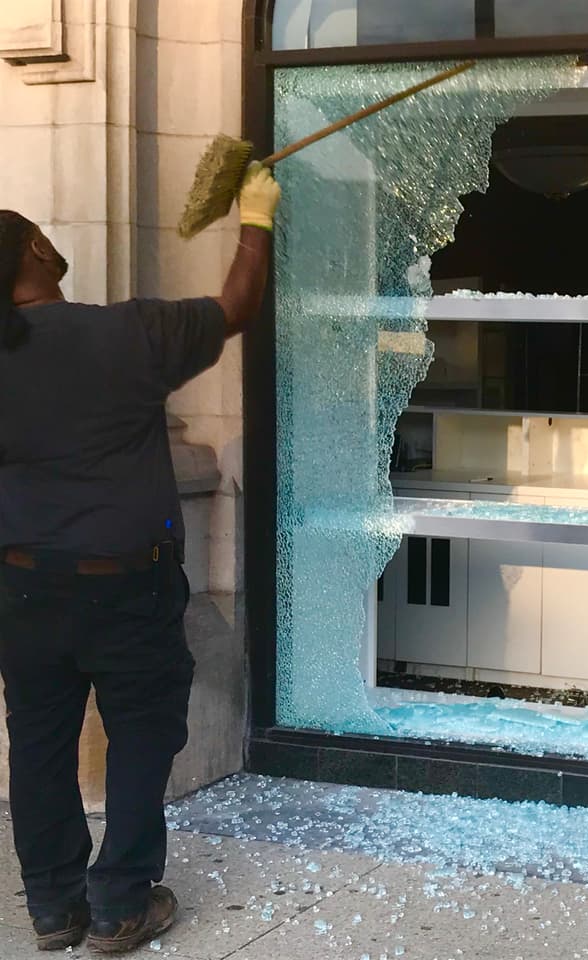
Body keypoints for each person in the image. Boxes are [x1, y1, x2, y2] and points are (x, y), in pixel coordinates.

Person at [0, 164, 281, 954]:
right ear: (34, 252)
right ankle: (120, 902)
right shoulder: (125, 333)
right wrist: (255, 217)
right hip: (124, 586)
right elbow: (237, 307)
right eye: (37, 234)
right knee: (142, 736)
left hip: (21, 588)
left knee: (40, 743)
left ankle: (55, 908)